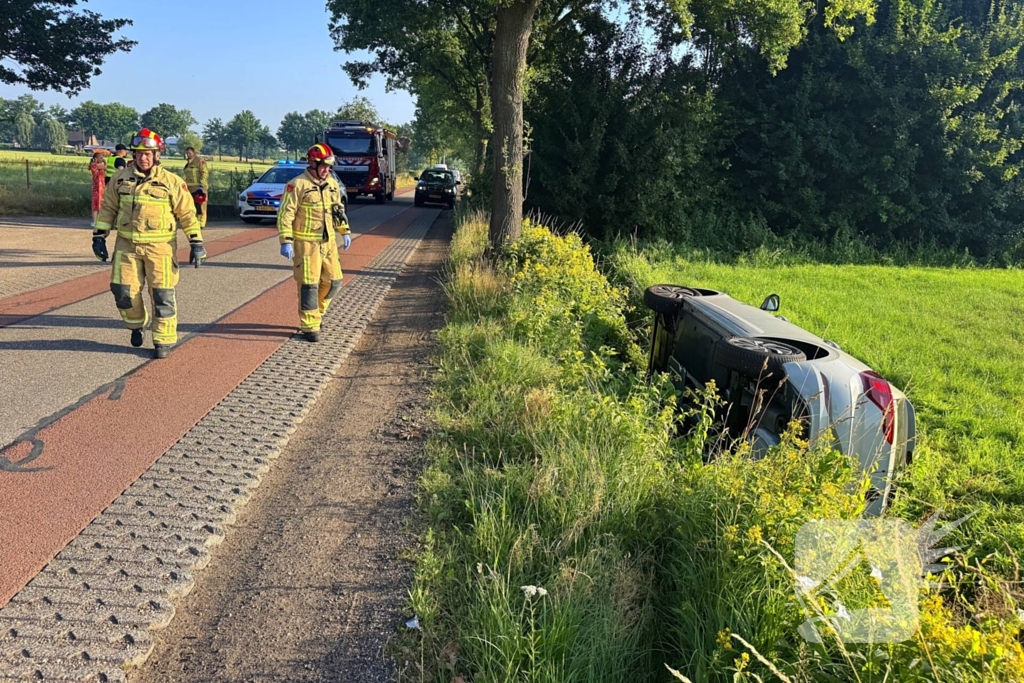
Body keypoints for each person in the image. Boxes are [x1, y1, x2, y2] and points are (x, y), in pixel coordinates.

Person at [91, 128, 207, 359]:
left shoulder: (172, 182)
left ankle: (163, 340)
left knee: (162, 295)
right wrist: (99, 236)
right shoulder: (120, 179)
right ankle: (136, 325)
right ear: (134, 155)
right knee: (122, 292)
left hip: (160, 248)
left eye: (148, 153)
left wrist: (196, 242)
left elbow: (187, 213)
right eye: (139, 153)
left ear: (157, 155)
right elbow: (108, 209)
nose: (143, 157)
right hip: (127, 245)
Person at [277, 144, 351, 342]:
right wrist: (286, 240)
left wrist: (344, 231)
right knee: (309, 286)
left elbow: (338, 209)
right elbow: (286, 213)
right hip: (306, 244)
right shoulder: (297, 185)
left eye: (329, 166)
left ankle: (317, 314)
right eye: (324, 166)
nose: (327, 170)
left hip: (328, 243)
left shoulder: (332, 184)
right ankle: (310, 326)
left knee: (334, 281)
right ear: (312, 163)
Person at [182, 146, 210, 229]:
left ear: (194, 153)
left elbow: (204, 173)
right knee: (192, 206)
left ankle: (201, 222)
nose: (188, 155)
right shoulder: (188, 163)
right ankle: (194, 222)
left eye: (189, 153)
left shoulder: (200, 161)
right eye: (187, 153)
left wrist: (201, 186)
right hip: (190, 188)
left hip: (199, 187)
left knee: (201, 206)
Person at [88, 151, 107, 227]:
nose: (102, 159)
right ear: (96, 158)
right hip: (96, 187)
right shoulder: (94, 165)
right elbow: (104, 167)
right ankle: (94, 221)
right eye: (101, 158)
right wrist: (105, 162)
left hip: (101, 186)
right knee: (95, 205)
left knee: (101, 204)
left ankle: (98, 220)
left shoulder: (98, 165)